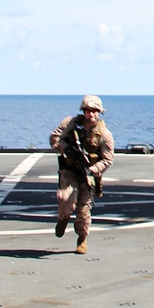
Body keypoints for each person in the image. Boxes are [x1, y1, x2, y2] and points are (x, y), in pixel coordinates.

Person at [49, 95, 114, 254]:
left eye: (94, 111)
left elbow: (107, 159)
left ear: (99, 112)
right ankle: (63, 218)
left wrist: (92, 170)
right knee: (65, 198)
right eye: (88, 111)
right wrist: (67, 149)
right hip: (70, 169)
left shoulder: (104, 135)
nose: (91, 114)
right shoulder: (70, 124)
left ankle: (82, 239)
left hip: (88, 174)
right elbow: (54, 138)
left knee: (84, 210)